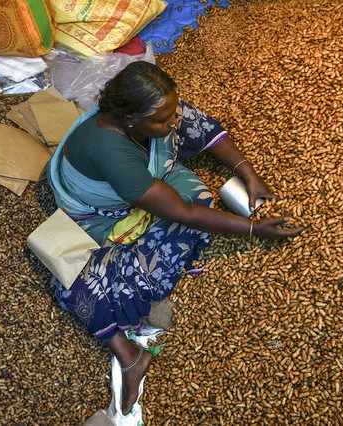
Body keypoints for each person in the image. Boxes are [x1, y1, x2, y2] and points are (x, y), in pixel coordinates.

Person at [47, 61, 305, 415]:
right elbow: (182, 214)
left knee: (196, 198)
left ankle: (132, 347)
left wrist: (247, 173)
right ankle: (127, 353)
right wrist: (253, 230)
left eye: (172, 110)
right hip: (101, 216)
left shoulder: (148, 114)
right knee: (69, 278)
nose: (173, 121)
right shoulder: (112, 153)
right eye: (161, 119)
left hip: (145, 184)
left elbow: (196, 124)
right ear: (129, 118)